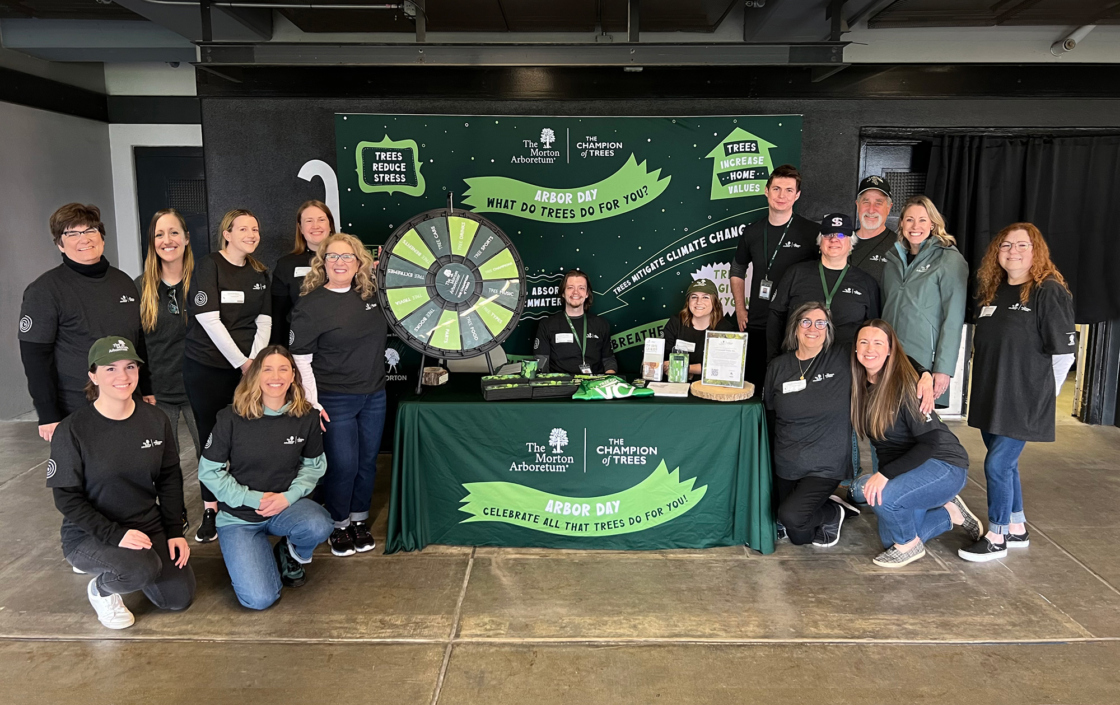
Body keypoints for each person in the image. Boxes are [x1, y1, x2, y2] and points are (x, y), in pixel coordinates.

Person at [47, 336, 194, 629]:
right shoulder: (73, 429)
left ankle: (125, 563)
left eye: (130, 366)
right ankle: (101, 589)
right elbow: (66, 497)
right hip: (91, 532)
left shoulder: (155, 418)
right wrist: (114, 535)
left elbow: (168, 478)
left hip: (145, 523)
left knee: (178, 598)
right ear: (93, 375)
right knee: (140, 569)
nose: (123, 376)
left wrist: (174, 530)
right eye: (110, 369)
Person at [765, 304, 935, 548]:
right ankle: (833, 503)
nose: (813, 328)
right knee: (789, 522)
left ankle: (834, 512)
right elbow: (771, 415)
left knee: (794, 523)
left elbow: (889, 356)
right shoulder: (778, 367)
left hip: (826, 463)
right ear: (795, 328)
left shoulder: (843, 358)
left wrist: (925, 373)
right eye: (805, 322)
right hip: (787, 462)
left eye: (820, 323)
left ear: (828, 330)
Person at [959, 223, 1076, 562]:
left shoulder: (1048, 290)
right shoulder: (994, 289)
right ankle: (1017, 526)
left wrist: (1042, 397)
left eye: (1022, 245)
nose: (1013, 251)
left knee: (996, 464)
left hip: (1023, 398)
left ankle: (996, 537)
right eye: (1006, 245)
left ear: (1036, 251)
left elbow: (1063, 354)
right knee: (1006, 465)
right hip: (990, 394)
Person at [198, 346, 333, 610]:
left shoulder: (306, 416)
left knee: (319, 524)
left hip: (285, 507)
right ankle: (254, 557)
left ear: (293, 375)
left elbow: (314, 466)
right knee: (259, 599)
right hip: (239, 517)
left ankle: (291, 552)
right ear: (255, 376)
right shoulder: (230, 418)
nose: (276, 376)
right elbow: (209, 472)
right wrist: (253, 499)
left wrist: (287, 497)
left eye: (284, 368)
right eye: (267, 369)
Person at [850, 320, 981, 568]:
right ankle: (949, 513)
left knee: (884, 499)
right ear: (855, 349)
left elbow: (929, 443)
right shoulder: (861, 384)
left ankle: (910, 548)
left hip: (944, 463)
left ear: (890, 350)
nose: (870, 349)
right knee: (891, 537)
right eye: (863, 342)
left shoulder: (907, 385)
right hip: (910, 465)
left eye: (878, 342)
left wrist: (885, 475)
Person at [19, 203, 153, 442]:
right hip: (77, 407)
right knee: (88, 477)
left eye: (90, 230)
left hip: (127, 401)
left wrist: (146, 389)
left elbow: (137, 341)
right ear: (60, 243)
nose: (84, 239)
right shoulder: (45, 290)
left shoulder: (123, 282)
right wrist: (48, 413)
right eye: (72, 233)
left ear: (101, 237)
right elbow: (35, 357)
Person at [290, 233, 388, 557]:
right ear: (322, 263)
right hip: (335, 399)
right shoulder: (311, 305)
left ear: (359, 262)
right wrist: (313, 403)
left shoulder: (372, 296)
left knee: (366, 462)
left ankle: (359, 520)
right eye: (332, 256)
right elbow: (301, 359)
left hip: (374, 395)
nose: (340, 262)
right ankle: (338, 524)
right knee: (343, 465)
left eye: (347, 257)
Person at [184, 209, 272, 543]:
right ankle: (211, 509)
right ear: (227, 233)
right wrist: (241, 362)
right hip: (208, 368)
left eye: (256, 228)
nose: (251, 234)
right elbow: (209, 319)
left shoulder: (259, 272)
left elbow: (264, 321)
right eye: (244, 228)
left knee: (247, 436)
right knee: (212, 438)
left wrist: (255, 361)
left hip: (248, 369)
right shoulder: (209, 267)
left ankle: (243, 503)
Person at [729, 164, 819, 388]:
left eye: (789, 190)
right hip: (759, 321)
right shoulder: (752, 231)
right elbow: (737, 269)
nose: (782, 195)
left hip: (795, 324)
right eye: (777, 188)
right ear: (766, 191)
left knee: (791, 389)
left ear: (797, 195)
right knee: (756, 386)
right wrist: (740, 308)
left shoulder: (811, 232)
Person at [881, 195, 968, 406]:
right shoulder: (892, 260)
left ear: (933, 223)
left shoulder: (949, 259)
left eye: (922, 220)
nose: (915, 226)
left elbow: (953, 319)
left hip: (925, 362)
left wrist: (943, 369)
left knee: (920, 426)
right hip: (890, 359)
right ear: (901, 222)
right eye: (909, 219)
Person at [767, 213, 880, 363]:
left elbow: (873, 330)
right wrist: (774, 360)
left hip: (844, 367)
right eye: (828, 234)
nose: (834, 239)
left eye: (841, 234)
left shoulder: (866, 283)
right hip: (797, 362)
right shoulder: (796, 273)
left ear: (851, 243)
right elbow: (776, 318)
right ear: (820, 243)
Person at [135, 209, 200, 465]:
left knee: (212, 458)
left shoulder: (205, 282)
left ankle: (216, 506)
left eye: (174, 232)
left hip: (199, 388)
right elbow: (136, 343)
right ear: (152, 242)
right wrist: (143, 388)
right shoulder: (140, 287)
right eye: (159, 234)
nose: (167, 240)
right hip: (158, 393)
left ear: (186, 238)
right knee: (163, 462)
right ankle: (172, 508)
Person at [271, 200, 335, 347]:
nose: (316, 226)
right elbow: (278, 316)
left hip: (340, 346)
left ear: (330, 225)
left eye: (321, 220)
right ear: (300, 228)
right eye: (309, 221)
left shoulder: (348, 260)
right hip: (300, 344)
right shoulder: (286, 265)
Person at [533, 269, 618, 375]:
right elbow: (541, 364)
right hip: (562, 387)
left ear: (587, 294)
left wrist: (608, 381)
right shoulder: (547, 325)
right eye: (570, 288)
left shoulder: (601, 324)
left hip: (594, 386)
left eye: (581, 288)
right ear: (563, 293)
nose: (576, 292)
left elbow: (608, 360)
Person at [661, 278, 736, 379]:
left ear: (714, 302)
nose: (698, 302)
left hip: (709, 386)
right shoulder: (676, 322)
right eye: (694, 297)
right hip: (676, 383)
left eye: (705, 297)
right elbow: (664, 362)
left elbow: (722, 367)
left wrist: (686, 369)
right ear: (688, 301)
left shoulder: (724, 329)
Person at [848, 176, 897, 287]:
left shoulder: (900, 247)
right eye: (866, 202)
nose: (871, 210)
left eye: (878, 203)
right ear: (858, 205)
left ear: (889, 208)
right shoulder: (840, 241)